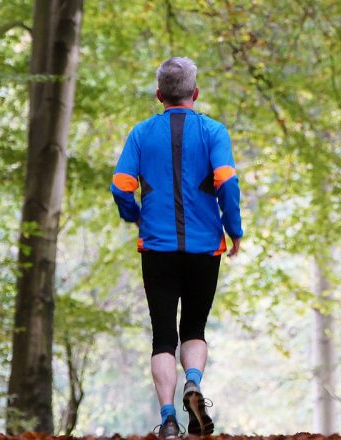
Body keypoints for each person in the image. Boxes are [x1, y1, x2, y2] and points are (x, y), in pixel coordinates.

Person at [110, 57, 243, 438]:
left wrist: (134, 214)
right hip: (205, 248)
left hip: (157, 247)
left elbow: (120, 185)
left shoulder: (140, 134)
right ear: (195, 94)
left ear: (159, 95)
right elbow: (227, 183)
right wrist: (234, 230)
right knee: (195, 329)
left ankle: (168, 417)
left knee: (163, 336)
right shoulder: (214, 131)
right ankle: (194, 383)